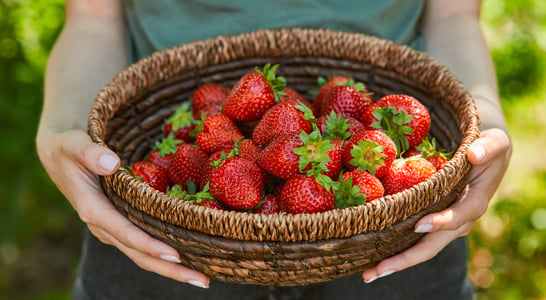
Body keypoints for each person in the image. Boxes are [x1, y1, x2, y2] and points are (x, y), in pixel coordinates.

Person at [36, 0, 512, 299]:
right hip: (162, 234)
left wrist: (483, 119)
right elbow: (93, 15)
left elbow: (452, 13)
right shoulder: (232, 148)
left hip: (401, 231)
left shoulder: (332, 148)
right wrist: (65, 124)